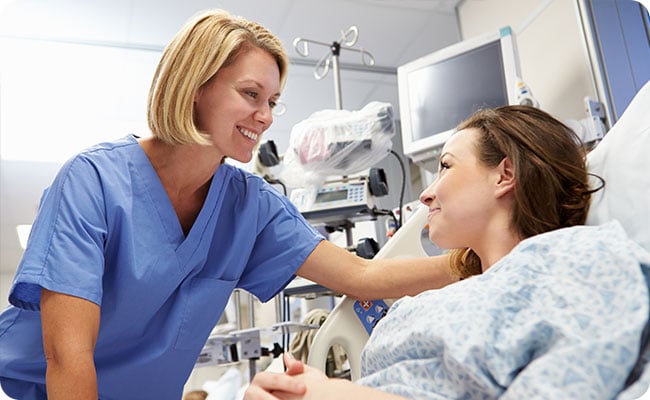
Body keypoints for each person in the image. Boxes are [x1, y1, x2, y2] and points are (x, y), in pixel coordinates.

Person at [0, 9, 454, 400]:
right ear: (196, 85)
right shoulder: (93, 182)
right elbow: (68, 356)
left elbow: (363, 276)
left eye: (273, 101)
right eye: (251, 94)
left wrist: (481, 259)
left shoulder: (249, 206)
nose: (267, 116)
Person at [244, 105, 650, 399]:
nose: (426, 192)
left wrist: (330, 396)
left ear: (505, 174)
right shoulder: (421, 306)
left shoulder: (581, 260)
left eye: (446, 165)